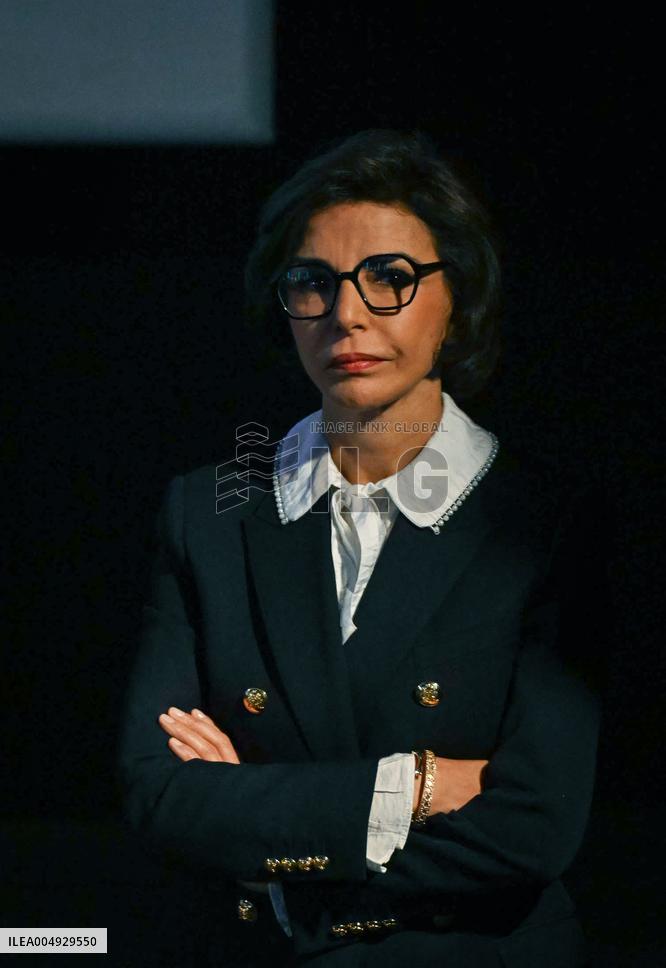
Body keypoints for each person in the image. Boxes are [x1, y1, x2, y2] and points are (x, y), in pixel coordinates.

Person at [116, 129, 609, 967]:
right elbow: (159, 796)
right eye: (313, 282)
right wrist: (414, 785)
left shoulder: (544, 514)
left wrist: (265, 830)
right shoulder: (213, 502)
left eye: (391, 278)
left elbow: (536, 828)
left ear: (460, 299)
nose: (347, 313)